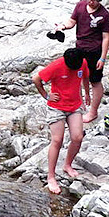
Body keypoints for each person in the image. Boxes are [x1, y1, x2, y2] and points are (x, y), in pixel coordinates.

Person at [53, 0, 109, 124]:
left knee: (95, 81)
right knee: (76, 77)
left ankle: (93, 112)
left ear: (100, 0)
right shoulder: (80, 6)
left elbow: (106, 37)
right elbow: (72, 21)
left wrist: (102, 58)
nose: (91, 2)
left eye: (94, 0)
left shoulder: (104, 15)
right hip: (79, 49)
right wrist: (63, 26)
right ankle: (79, 105)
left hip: (94, 52)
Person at [32, 48, 87, 194]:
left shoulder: (82, 62)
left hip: (74, 105)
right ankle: (51, 177)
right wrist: (46, 95)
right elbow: (36, 79)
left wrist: (86, 94)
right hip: (57, 107)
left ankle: (67, 165)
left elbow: (85, 77)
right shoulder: (57, 66)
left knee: (78, 137)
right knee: (57, 140)